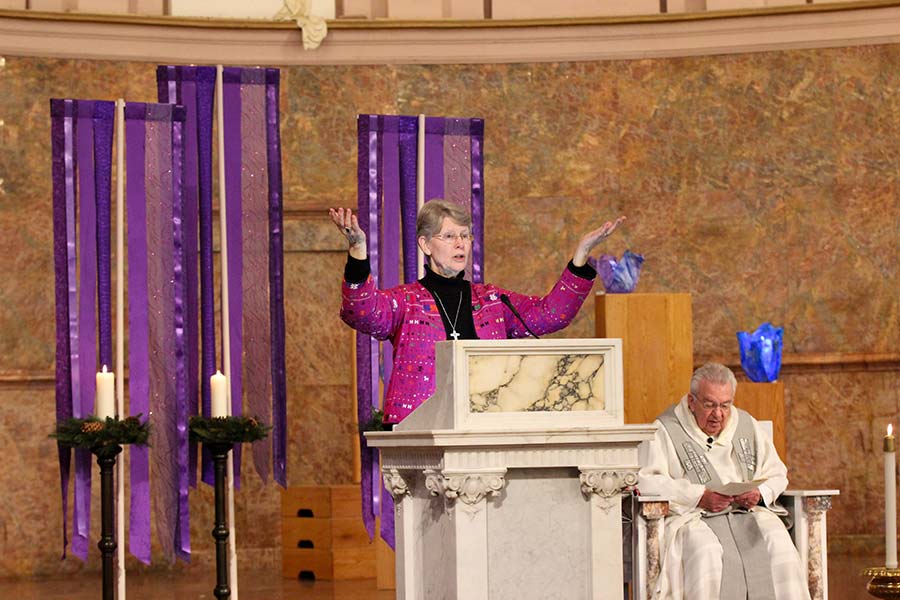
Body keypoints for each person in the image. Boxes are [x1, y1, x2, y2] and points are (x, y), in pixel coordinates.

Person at [330, 200, 625, 424]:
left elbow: (550, 315)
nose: (460, 243)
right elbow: (362, 312)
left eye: (465, 235)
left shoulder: (492, 300)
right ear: (425, 244)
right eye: (449, 236)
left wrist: (580, 256)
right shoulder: (405, 301)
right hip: (420, 429)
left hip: (485, 425)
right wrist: (358, 250)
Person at [638, 362, 810, 600]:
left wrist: (760, 493)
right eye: (709, 405)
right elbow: (647, 481)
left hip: (747, 513)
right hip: (694, 516)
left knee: (780, 548)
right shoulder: (664, 429)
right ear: (691, 401)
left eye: (725, 405)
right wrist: (699, 496)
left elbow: (778, 473)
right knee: (707, 552)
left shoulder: (746, 425)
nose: (718, 414)